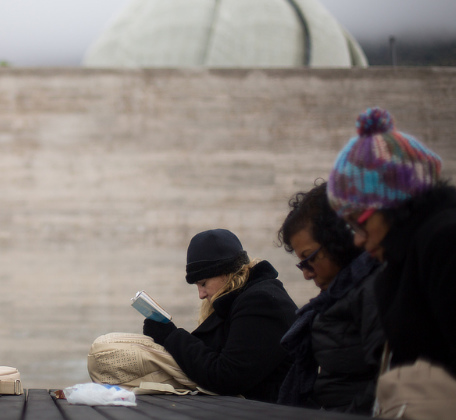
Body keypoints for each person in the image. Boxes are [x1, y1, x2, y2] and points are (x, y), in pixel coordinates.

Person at [327, 107, 456, 409]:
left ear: (393, 206)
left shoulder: (444, 243)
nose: (357, 240)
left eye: (359, 222)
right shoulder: (401, 260)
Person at [142, 228, 297, 402]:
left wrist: (171, 336)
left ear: (226, 273)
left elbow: (227, 376)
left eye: (203, 283)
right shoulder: (241, 300)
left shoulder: (262, 302)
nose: (201, 294)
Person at [277, 181, 384, 413]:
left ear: (339, 242)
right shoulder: (336, 298)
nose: (306, 274)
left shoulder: (373, 290)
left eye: (310, 258)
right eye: (301, 264)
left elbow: (388, 379)